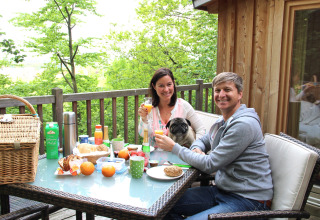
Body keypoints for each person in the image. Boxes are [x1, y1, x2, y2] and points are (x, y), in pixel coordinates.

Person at [155, 72, 273, 219]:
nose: (221, 94)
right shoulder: (223, 119)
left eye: (227, 90)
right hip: (223, 190)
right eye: (217, 90)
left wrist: (174, 147)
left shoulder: (243, 125)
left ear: (240, 94)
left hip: (249, 200)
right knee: (163, 205)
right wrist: (196, 148)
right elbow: (204, 140)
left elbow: (210, 164)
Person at [138, 67, 205, 147]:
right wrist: (144, 119)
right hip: (153, 156)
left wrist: (196, 147)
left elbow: (201, 129)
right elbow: (143, 134)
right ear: (154, 86)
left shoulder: (183, 106)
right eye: (161, 86)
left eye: (169, 84)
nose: (166, 89)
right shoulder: (148, 107)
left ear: (173, 84)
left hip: (178, 156)